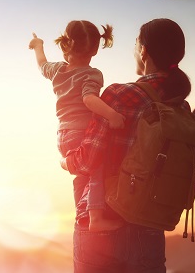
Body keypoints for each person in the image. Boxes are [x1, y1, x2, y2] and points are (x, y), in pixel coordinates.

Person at [61, 18, 191, 273]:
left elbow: (88, 160)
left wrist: (65, 161)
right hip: (150, 226)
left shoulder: (119, 95)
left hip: (103, 223)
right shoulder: (180, 106)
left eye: (135, 44)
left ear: (143, 51)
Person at [28, 20, 125, 232]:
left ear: (65, 45)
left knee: (82, 176)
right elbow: (89, 99)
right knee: (96, 169)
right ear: (95, 50)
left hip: (62, 135)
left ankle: (82, 213)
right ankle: (96, 219)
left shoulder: (57, 71)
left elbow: (42, 64)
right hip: (82, 133)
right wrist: (112, 115)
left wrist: (38, 45)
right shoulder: (91, 74)